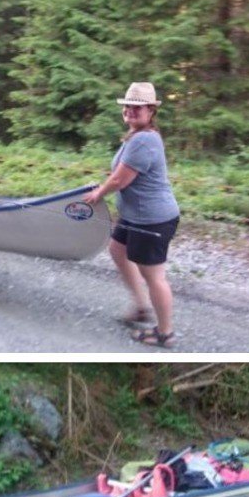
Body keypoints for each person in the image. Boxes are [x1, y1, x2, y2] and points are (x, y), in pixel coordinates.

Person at [83, 82, 181, 347]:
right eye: (128, 106)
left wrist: (98, 194)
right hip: (135, 216)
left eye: (138, 107)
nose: (130, 110)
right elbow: (119, 173)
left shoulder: (144, 140)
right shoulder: (136, 136)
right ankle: (141, 307)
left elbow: (120, 180)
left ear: (151, 111)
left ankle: (165, 333)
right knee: (118, 249)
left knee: (154, 277)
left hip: (152, 219)